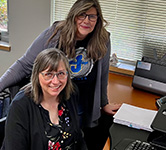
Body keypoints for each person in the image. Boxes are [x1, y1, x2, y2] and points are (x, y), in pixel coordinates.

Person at [0, 0, 121, 149]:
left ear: (98, 19)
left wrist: (104, 104)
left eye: (92, 16)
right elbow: (24, 64)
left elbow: (102, 75)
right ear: (73, 15)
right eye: (81, 15)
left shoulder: (103, 38)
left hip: (79, 103)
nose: (86, 21)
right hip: (53, 99)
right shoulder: (55, 33)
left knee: (73, 140)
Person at [2, 48, 87, 150]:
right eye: (48, 74)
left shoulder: (71, 94)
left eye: (61, 74)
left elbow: (78, 138)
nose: (55, 81)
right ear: (37, 76)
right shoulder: (20, 105)